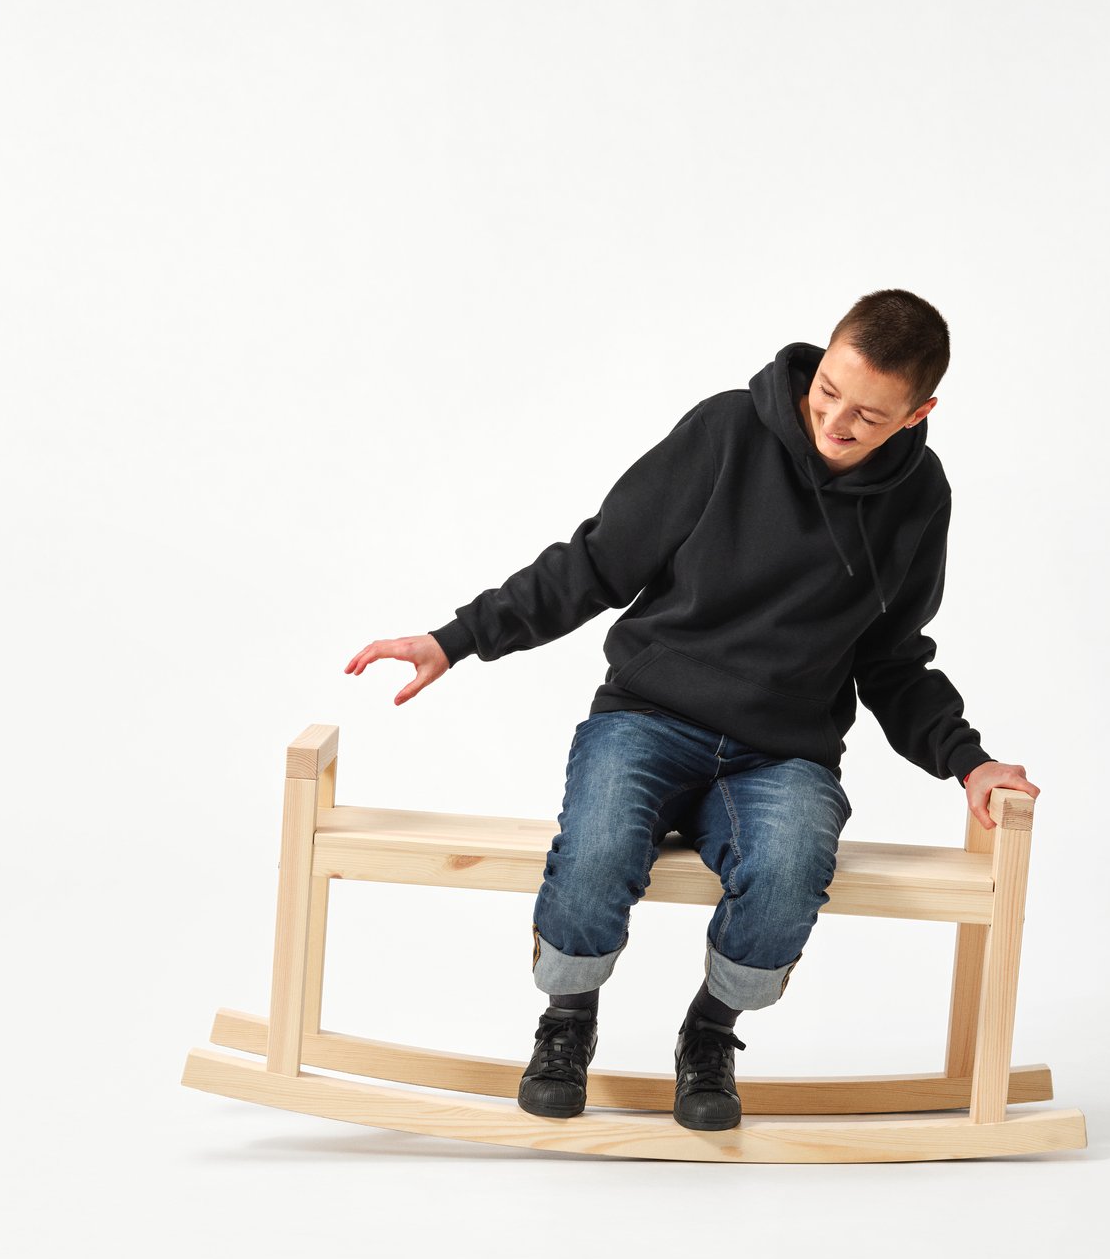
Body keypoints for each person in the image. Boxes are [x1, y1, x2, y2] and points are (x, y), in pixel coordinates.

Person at [344, 288, 1041, 1132]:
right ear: (819, 359)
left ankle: (710, 1033)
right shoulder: (726, 432)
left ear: (919, 411)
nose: (836, 422)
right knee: (597, 852)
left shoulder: (920, 496)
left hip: (783, 754)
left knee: (787, 876)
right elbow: (598, 563)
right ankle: (567, 1023)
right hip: (649, 717)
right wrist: (453, 639)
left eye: (868, 414)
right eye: (827, 390)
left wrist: (966, 759)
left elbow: (892, 660)